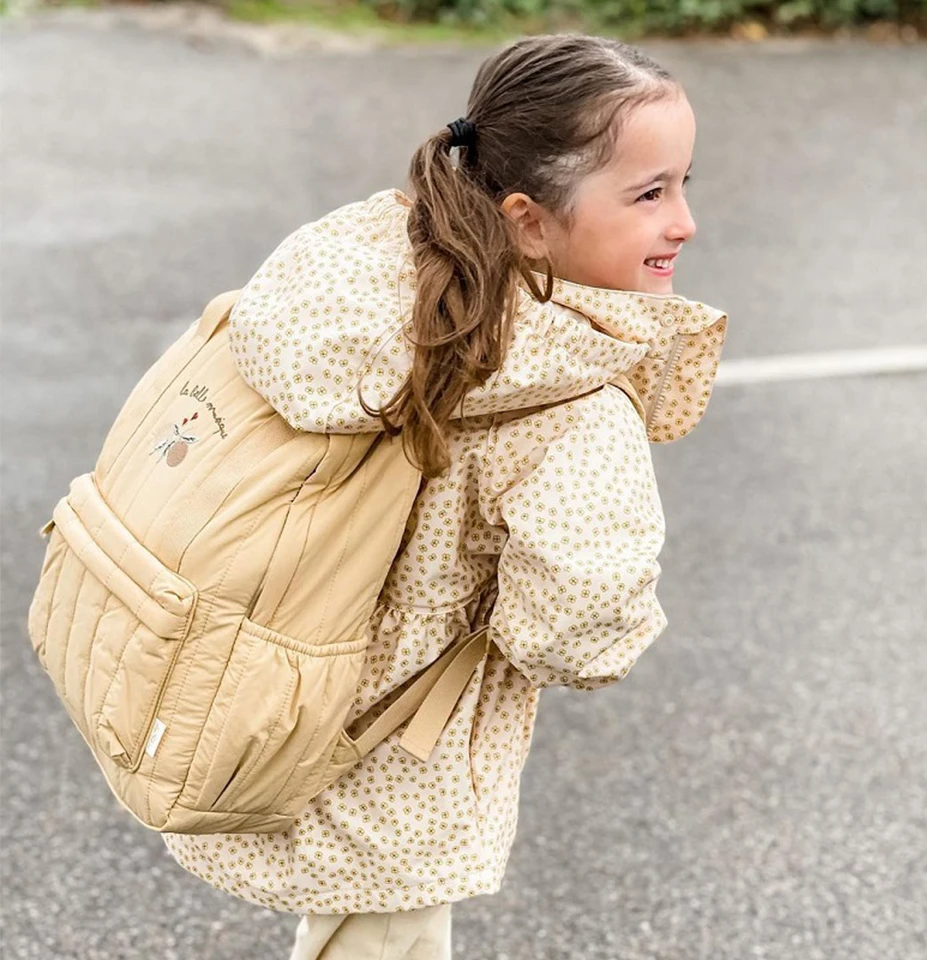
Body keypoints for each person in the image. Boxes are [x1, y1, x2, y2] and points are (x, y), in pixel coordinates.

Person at [161, 32, 729, 960]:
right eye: (649, 193)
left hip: (287, 692)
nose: (684, 223)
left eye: (684, 185)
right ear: (531, 220)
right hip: (406, 758)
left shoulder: (380, 282)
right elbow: (574, 633)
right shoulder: (576, 401)